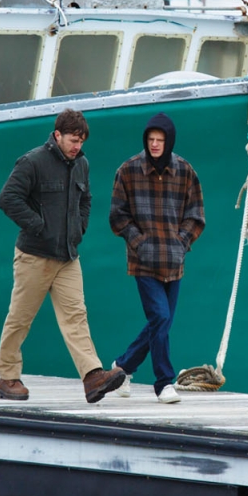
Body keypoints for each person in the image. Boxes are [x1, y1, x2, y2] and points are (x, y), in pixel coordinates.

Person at [0, 108, 126, 403]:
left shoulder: (82, 165)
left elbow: (86, 200)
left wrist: (79, 228)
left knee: (76, 316)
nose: (77, 146)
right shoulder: (33, 162)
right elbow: (8, 198)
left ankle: (93, 377)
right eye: (72, 139)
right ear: (57, 135)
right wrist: (39, 226)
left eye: (81, 141)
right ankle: (8, 378)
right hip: (34, 256)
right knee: (20, 319)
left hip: (68, 257)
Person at [108, 112, 205, 404]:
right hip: (143, 262)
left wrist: (181, 242)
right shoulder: (128, 170)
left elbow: (196, 215)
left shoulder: (186, 171)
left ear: (169, 141)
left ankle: (122, 368)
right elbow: (117, 216)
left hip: (174, 262)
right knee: (161, 317)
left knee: (159, 324)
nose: (154, 145)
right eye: (150, 139)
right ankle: (164, 383)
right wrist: (140, 243)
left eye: (160, 140)